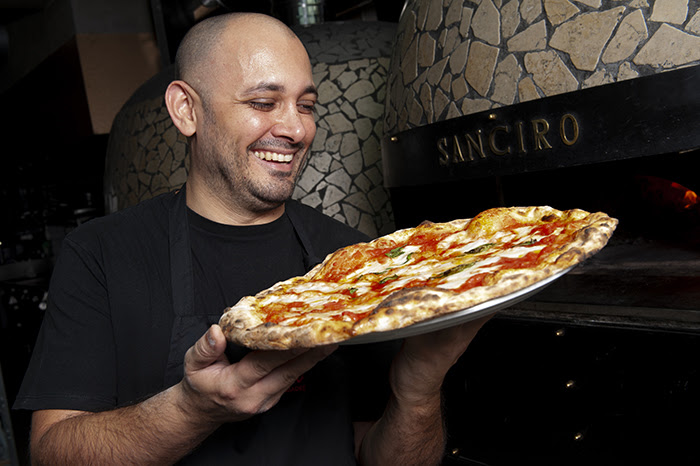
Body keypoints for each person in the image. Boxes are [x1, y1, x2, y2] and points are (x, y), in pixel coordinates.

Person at [15, 12, 489, 465]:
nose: (296, 129)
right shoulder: (101, 253)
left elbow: (381, 456)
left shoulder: (354, 260)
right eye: (263, 103)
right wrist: (191, 409)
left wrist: (419, 390)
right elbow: (52, 453)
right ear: (186, 110)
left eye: (306, 105)